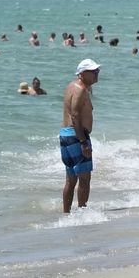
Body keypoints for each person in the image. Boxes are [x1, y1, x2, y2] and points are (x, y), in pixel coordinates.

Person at [60, 59, 101, 213]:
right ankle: (82, 215)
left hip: (65, 135)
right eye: (94, 72)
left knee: (71, 180)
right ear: (82, 74)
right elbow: (75, 114)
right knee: (84, 179)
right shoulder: (80, 88)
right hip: (76, 136)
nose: (97, 74)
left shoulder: (72, 86)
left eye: (97, 71)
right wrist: (83, 142)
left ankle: (66, 215)